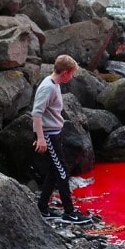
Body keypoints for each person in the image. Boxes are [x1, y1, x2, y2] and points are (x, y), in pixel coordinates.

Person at [32, 54, 91, 224]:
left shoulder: (54, 84)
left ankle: (43, 206)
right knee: (62, 170)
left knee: (54, 170)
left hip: (54, 133)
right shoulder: (48, 87)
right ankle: (69, 212)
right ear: (65, 72)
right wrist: (40, 138)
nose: (71, 77)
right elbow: (36, 113)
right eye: (71, 73)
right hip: (49, 135)